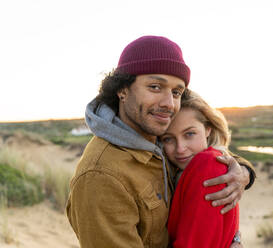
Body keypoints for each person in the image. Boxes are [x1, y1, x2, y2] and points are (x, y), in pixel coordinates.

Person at [66, 35, 255, 248]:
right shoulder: (102, 177)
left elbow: (201, 153)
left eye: (176, 92)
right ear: (122, 89)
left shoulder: (157, 139)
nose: (169, 104)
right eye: (155, 87)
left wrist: (244, 172)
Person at [163, 89, 240, 248]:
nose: (180, 148)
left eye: (189, 134)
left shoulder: (208, 165)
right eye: (168, 139)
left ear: (208, 129)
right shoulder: (183, 170)